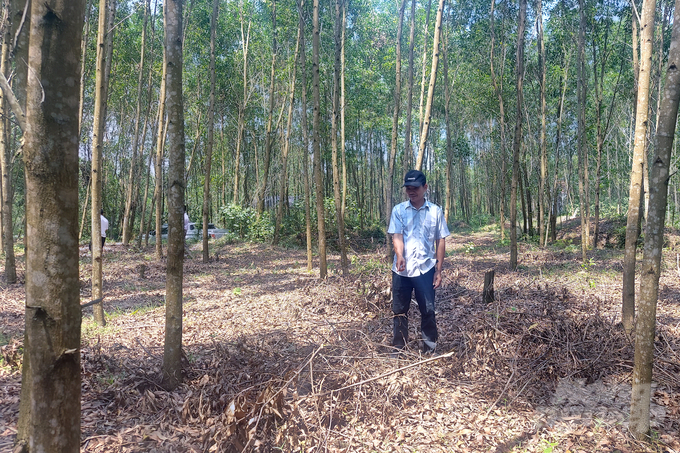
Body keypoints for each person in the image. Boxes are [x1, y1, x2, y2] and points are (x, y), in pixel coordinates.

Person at [387, 170, 450, 356]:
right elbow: (396, 235)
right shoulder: (399, 210)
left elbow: (441, 240)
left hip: (426, 269)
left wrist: (438, 270)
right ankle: (399, 349)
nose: (411, 191)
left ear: (425, 188)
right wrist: (400, 255)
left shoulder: (435, 212)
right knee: (399, 310)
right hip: (402, 271)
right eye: (408, 188)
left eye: (415, 188)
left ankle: (429, 349)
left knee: (428, 310)